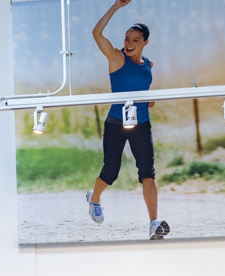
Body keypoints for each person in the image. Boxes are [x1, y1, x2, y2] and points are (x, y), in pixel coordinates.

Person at [86, 0, 170, 240]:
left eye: (135, 40)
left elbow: (142, 91)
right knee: (110, 172)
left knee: (148, 173)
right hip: (116, 123)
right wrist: (115, 7)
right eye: (126, 39)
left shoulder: (149, 65)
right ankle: (94, 199)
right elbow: (96, 33)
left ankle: (154, 223)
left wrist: (148, 101)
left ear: (145, 43)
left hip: (141, 123)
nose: (129, 44)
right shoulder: (115, 58)